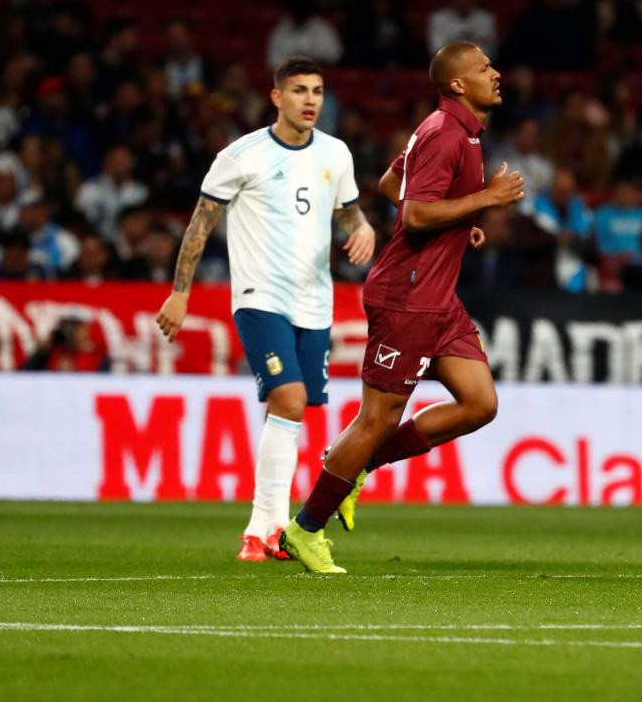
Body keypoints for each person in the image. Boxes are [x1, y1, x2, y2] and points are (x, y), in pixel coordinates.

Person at [279, 42, 524, 573]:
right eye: (484, 68)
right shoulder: (444, 135)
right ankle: (304, 529)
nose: (496, 73)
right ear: (458, 84)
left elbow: (394, 183)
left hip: (438, 299)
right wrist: (485, 200)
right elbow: (413, 215)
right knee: (377, 418)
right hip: (408, 298)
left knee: (480, 403)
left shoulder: (458, 132)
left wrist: (460, 222)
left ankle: (359, 466)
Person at [154, 55, 375, 562]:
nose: (310, 101)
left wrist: (361, 229)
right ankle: (271, 525)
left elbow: (347, 213)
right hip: (260, 298)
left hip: (315, 303)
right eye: (299, 91)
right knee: (291, 399)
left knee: (290, 410)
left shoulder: (336, 154)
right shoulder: (242, 155)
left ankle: (261, 529)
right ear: (277, 97)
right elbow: (201, 223)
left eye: (317, 91)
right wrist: (181, 291)